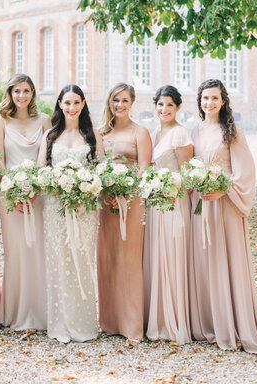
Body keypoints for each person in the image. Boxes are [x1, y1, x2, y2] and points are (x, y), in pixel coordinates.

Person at [189, 79, 257, 354]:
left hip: (226, 204)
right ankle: (210, 323)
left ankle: (234, 325)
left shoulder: (232, 132)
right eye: (205, 98)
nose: (209, 103)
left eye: (214, 98)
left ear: (223, 101)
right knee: (205, 261)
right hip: (202, 204)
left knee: (227, 259)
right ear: (199, 102)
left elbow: (245, 172)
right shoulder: (195, 131)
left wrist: (222, 190)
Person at [38, 85, 104, 343]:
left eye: (76, 102)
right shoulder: (50, 135)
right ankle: (60, 324)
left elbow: (101, 170)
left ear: (83, 103)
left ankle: (84, 323)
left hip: (85, 208)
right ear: (60, 104)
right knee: (59, 261)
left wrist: (86, 189)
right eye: (67, 103)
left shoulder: (92, 134)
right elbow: (41, 169)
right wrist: (57, 186)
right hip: (55, 206)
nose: (72, 108)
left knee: (83, 260)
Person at [0, 74, 51, 331]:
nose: (21, 96)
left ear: (32, 93)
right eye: (16, 91)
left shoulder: (44, 120)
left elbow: (45, 159)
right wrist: (13, 191)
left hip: (38, 194)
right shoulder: (0, 122)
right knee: (16, 252)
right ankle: (16, 312)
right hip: (10, 195)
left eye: (26, 91)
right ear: (10, 93)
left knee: (38, 251)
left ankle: (40, 312)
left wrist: (33, 188)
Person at [97, 83, 152, 342]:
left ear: (132, 103)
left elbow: (144, 169)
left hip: (132, 201)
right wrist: (108, 194)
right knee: (108, 257)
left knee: (129, 259)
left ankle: (131, 325)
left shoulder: (140, 132)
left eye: (125, 100)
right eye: (115, 100)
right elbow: (96, 167)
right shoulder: (101, 134)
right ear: (110, 102)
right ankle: (109, 322)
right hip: (106, 201)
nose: (120, 105)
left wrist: (126, 195)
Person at [143, 85, 193, 344]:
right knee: (156, 257)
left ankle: (173, 323)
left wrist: (173, 189)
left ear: (178, 108)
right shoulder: (155, 132)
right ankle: (157, 319)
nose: (164, 109)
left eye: (169, 105)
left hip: (174, 202)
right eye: (160, 105)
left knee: (172, 256)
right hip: (155, 204)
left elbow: (186, 173)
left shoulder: (180, 134)